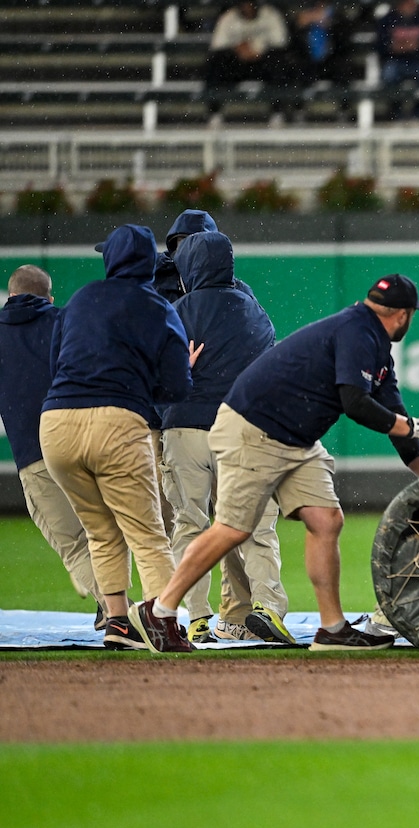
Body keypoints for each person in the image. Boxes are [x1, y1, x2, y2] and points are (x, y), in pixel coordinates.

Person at [129, 274, 419, 652]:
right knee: (233, 528)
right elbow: (355, 403)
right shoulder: (356, 331)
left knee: (326, 520)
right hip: (254, 427)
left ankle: (332, 629)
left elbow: (391, 410)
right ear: (402, 315)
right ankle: (159, 610)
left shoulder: (374, 342)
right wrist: (417, 426)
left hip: (295, 437)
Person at [40, 225, 195, 651]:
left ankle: (118, 623)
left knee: (100, 531)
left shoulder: (80, 299)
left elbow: (56, 365)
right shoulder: (158, 307)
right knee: (146, 532)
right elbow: (177, 386)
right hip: (115, 423)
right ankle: (162, 624)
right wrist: (143, 387)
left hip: (56, 423)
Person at [160, 231, 291, 644]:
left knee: (189, 525)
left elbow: (158, 373)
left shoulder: (175, 310)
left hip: (185, 428)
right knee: (255, 524)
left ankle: (196, 617)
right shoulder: (252, 310)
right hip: (240, 430)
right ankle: (267, 606)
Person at [0, 266, 105, 632]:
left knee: (74, 544)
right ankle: (113, 607)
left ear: (11, 296)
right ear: (49, 298)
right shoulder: (68, 321)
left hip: (36, 454)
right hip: (86, 443)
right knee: (106, 532)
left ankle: (120, 612)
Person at [206, 1, 297, 128]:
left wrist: (258, 49)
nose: (247, 7)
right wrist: (237, 49)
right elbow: (217, 45)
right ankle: (215, 113)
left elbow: (281, 42)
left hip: (262, 63)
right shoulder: (228, 17)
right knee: (216, 61)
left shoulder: (270, 15)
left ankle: (277, 112)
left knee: (279, 61)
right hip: (237, 64)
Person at [377, 0, 419, 121]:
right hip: (396, 60)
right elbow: (379, 45)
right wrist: (393, 48)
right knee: (389, 74)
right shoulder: (388, 19)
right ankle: (396, 111)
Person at [153, 209, 220, 304]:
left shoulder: (231, 288)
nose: (186, 247)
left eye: (194, 241)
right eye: (182, 240)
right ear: (174, 245)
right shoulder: (156, 285)